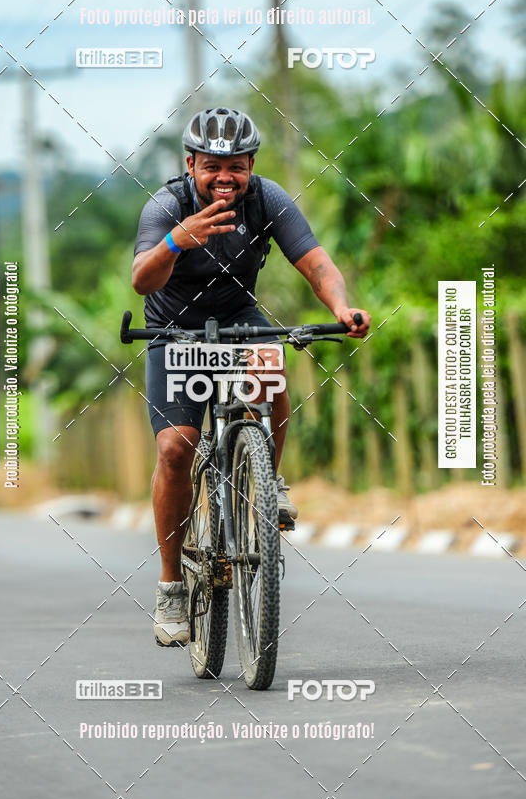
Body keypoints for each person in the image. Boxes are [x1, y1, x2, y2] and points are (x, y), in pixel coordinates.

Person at [132, 107, 371, 647]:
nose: (224, 177)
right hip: (174, 330)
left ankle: (266, 479)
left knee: (271, 366)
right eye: (212, 165)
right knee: (176, 449)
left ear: (251, 165)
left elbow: (314, 261)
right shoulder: (167, 205)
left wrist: (342, 307)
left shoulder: (267, 200)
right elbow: (141, 281)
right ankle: (171, 584)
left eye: (236, 166)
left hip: (238, 319)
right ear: (190, 164)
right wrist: (177, 241)